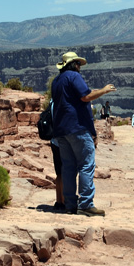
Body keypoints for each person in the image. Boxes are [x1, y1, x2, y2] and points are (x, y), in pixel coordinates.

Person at [51, 51, 116, 216]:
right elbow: (86, 97)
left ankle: (70, 205)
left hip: (61, 130)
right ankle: (86, 204)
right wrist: (104, 90)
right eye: (78, 64)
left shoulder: (57, 81)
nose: (80, 67)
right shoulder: (73, 76)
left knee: (68, 167)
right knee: (86, 165)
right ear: (73, 65)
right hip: (77, 127)